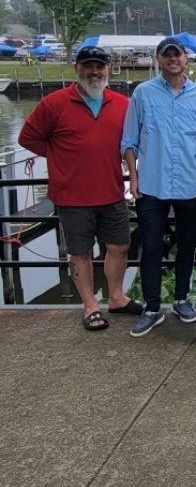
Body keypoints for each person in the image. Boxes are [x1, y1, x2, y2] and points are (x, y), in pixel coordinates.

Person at [18, 45, 142, 330]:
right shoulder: (54, 103)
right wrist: (60, 155)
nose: (94, 72)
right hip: (72, 195)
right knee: (80, 252)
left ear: (108, 70)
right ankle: (90, 306)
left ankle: (116, 297)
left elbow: (130, 142)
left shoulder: (121, 104)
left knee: (119, 246)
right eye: (88, 66)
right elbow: (28, 137)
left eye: (99, 66)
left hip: (112, 191)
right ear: (77, 69)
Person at [121, 36, 196, 338]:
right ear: (158, 59)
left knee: (187, 245)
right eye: (167, 54)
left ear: (186, 58)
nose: (173, 59)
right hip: (152, 185)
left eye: (177, 54)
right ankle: (152, 308)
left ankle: (182, 298)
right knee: (151, 247)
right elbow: (129, 140)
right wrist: (133, 178)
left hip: (189, 185)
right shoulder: (142, 93)